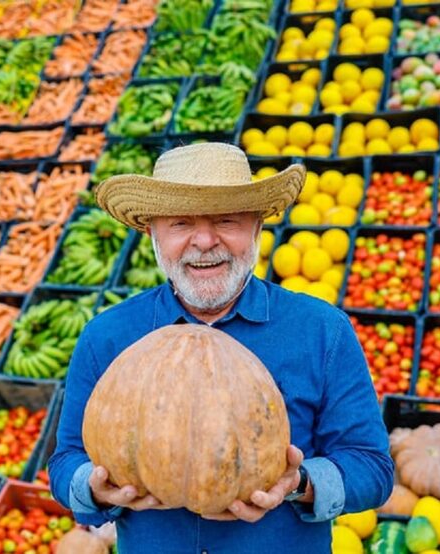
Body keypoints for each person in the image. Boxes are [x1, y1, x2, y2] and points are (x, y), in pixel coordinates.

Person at [47, 143, 395, 553]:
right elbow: (66, 461)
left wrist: (298, 484)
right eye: (180, 223)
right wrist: (94, 488)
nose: (205, 240)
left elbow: (372, 468)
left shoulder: (322, 331)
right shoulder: (107, 337)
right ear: (152, 233)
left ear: (257, 228)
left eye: (226, 220)